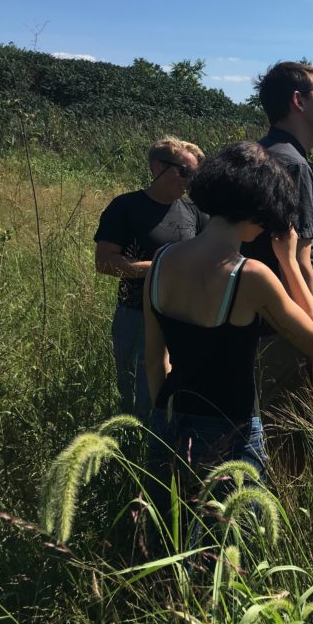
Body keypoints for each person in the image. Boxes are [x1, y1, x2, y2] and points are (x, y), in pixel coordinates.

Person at [142, 142, 313, 523]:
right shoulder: (251, 276)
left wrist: (165, 420)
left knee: (171, 535)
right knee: (230, 548)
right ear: (261, 212)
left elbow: (153, 359)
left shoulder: (162, 261)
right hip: (233, 432)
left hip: (170, 416)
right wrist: (290, 262)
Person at [241, 61, 313, 471]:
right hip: (291, 334)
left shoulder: (257, 155)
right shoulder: (293, 165)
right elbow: (297, 261)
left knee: (271, 436)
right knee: (296, 447)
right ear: (298, 101)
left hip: (259, 327)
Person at [94, 136, 206, 417]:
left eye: (194, 174)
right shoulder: (126, 207)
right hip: (136, 314)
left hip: (184, 317)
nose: (189, 180)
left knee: (182, 394)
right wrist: (157, 266)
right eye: (184, 171)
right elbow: (105, 262)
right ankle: (142, 452)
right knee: (138, 397)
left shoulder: (194, 211)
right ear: (157, 167)